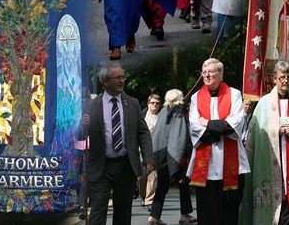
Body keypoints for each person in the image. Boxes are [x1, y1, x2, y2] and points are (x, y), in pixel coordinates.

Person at [244, 60, 289, 225]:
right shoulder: (263, 103)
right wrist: (277, 129)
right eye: (282, 77)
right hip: (270, 164)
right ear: (274, 78)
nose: (285, 80)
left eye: (288, 77)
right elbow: (256, 133)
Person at [82, 63, 154, 225]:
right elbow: (80, 135)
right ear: (105, 82)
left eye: (123, 77)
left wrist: (148, 159)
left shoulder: (132, 103)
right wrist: (82, 125)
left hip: (126, 166)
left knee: (123, 211)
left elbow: (143, 132)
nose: (122, 81)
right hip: (101, 166)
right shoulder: (92, 105)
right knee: (97, 210)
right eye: (118, 78)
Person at [188, 58, 249, 225]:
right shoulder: (196, 97)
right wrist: (221, 127)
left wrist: (206, 123)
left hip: (231, 164)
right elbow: (194, 128)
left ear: (220, 74)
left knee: (228, 213)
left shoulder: (234, 94)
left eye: (211, 72)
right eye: (204, 72)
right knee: (206, 213)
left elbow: (234, 125)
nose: (207, 75)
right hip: (205, 166)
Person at [149, 89, 197, 225]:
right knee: (183, 183)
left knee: (162, 186)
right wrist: (179, 156)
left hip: (160, 153)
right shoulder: (178, 112)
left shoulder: (164, 111)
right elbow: (179, 135)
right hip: (173, 154)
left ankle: (153, 216)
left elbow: (158, 133)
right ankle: (185, 215)